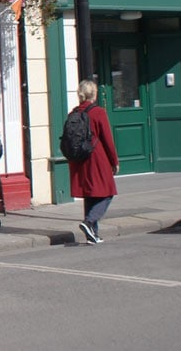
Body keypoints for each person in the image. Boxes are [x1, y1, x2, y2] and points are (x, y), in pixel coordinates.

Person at [68, 79, 119, 244]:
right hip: (97, 157)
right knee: (108, 193)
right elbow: (107, 140)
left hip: (80, 159)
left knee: (90, 195)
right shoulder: (98, 112)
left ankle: (92, 234)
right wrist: (114, 161)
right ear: (94, 94)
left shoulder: (73, 113)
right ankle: (89, 222)